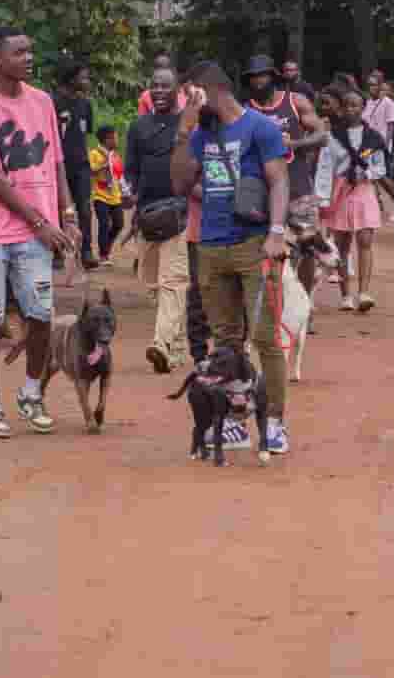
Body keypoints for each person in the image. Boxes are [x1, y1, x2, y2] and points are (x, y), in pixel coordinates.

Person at [0, 28, 81, 438]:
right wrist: (40, 223)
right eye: (19, 52)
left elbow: (58, 162)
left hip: (39, 231)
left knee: (40, 315)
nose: (28, 57)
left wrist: (67, 214)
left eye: (30, 50)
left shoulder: (42, 101)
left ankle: (31, 393)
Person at [172, 60, 293, 455]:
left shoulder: (260, 128)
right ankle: (235, 423)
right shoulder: (198, 132)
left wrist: (277, 232)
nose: (187, 100)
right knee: (225, 341)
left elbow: (278, 181)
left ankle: (273, 420)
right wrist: (184, 127)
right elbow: (179, 182)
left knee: (265, 337)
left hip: (254, 243)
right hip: (211, 243)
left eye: (192, 94)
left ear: (212, 90)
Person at [127, 65, 194, 373]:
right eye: (154, 85)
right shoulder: (138, 126)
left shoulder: (188, 123)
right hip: (148, 215)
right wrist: (130, 195)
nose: (158, 91)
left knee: (174, 281)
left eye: (165, 86)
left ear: (178, 89)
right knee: (153, 284)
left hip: (179, 213)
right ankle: (177, 349)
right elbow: (131, 170)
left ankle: (161, 343)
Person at [322, 84, 394, 312]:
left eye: (356, 105)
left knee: (364, 240)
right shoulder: (332, 136)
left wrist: (369, 173)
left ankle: (364, 292)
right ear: (341, 109)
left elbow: (381, 167)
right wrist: (323, 199)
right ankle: (345, 295)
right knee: (342, 245)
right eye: (347, 105)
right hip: (341, 191)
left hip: (363, 190)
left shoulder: (373, 137)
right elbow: (326, 167)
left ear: (363, 108)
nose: (351, 109)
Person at [242, 54, 328, 229]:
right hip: (263, 195)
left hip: (299, 189)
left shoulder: (296, 101)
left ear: (273, 77)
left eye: (262, 75)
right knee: (266, 251)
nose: (258, 80)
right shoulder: (245, 109)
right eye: (253, 77)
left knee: (309, 245)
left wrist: (294, 144)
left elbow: (322, 136)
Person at [51, 60, 97, 269]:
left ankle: (86, 250)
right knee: (58, 209)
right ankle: (57, 250)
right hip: (57, 165)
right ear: (71, 79)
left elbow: (84, 134)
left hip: (81, 166)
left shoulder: (85, 105)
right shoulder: (52, 103)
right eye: (83, 77)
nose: (87, 81)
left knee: (85, 208)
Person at [89, 125, 126, 258]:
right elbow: (90, 171)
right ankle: (103, 254)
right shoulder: (94, 154)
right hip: (100, 196)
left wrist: (125, 193)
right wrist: (104, 166)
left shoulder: (115, 155)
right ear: (107, 139)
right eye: (116, 138)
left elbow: (120, 176)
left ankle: (107, 245)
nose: (117, 141)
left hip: (115, 196)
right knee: (104, 224)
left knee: (119, 224)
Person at [360, 70, 394, 149]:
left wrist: (386, 147)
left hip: (381, 147)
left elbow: (390, 127)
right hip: (367, 147)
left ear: (380, 86)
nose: (370, 88)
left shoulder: (388, 103)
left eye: (373, 85)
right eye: (369, 85)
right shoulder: (367, 102)